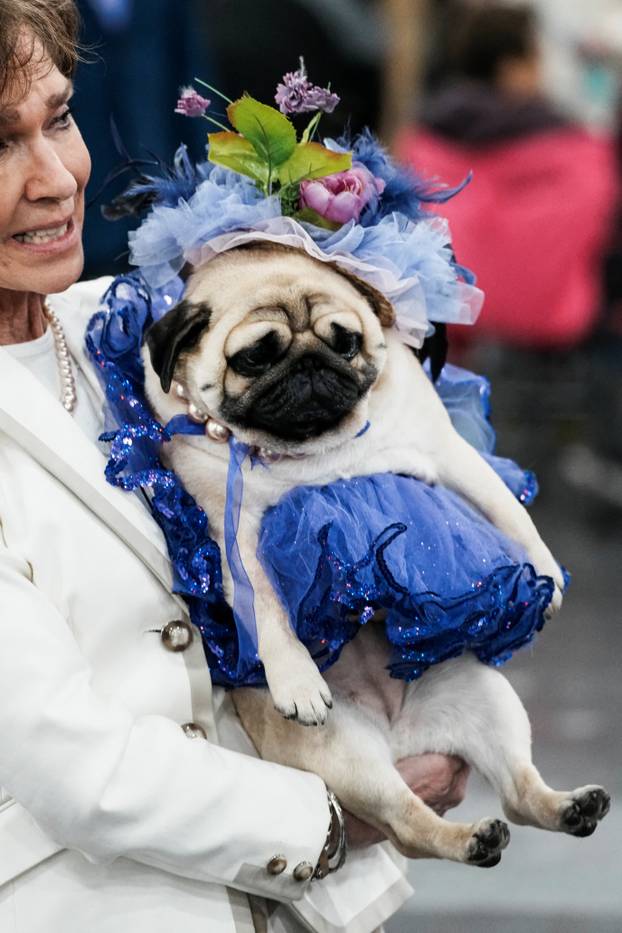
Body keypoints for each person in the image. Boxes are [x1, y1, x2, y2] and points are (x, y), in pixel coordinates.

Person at [0, 2, 468, 931]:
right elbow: (77, 767)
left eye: (57, 117)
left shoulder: (135, 324)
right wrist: (345, 815)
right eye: (1, 144)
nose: (55, 178)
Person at [397, 2, 617, 350]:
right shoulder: (578, 153)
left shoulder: (422, 142)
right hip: (556, 349)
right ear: (513, 69)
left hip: (444, 334)